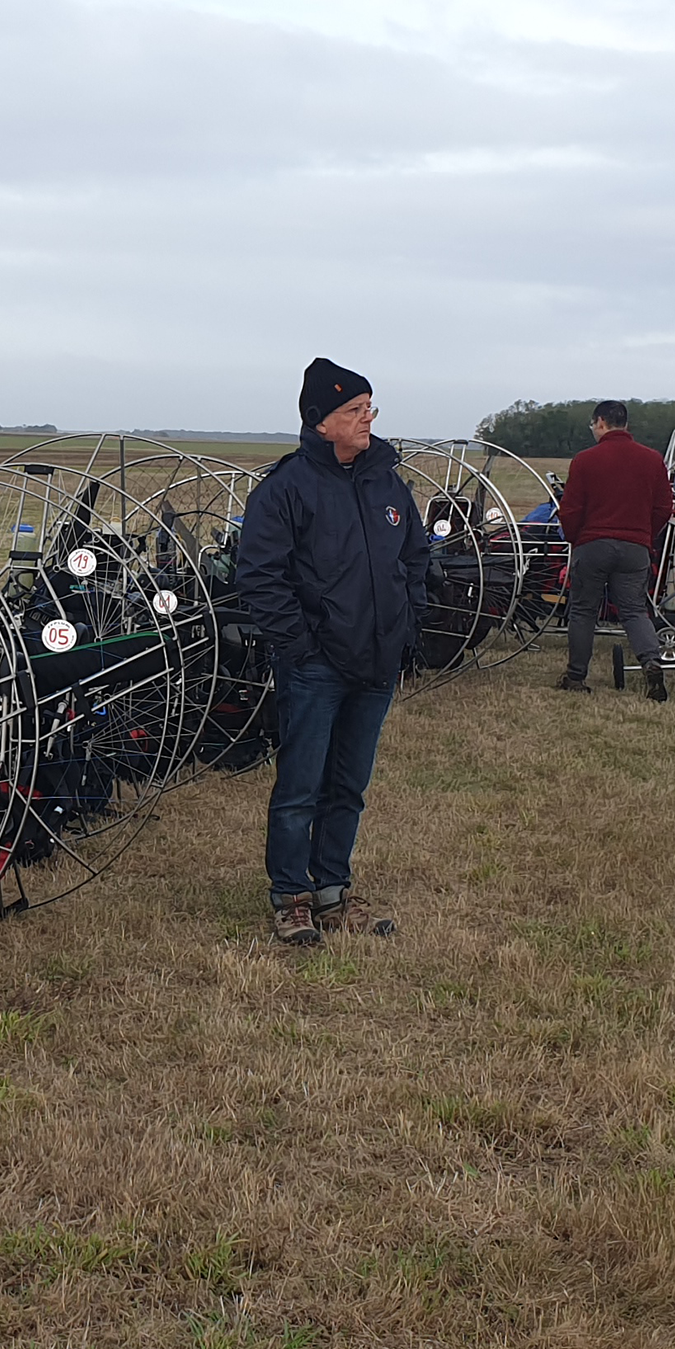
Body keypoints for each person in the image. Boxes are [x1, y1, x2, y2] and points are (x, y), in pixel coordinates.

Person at [235, 357, 429, 946]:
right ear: (321, 421)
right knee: (300, 786)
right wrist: (300, 645)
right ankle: (291, 897)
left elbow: (416, 560)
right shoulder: (285, 490)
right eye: (354, 409)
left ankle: (332, 891)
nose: (367, 417)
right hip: (316, 667)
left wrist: (406, 626)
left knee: (349, 786)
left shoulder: (388, 482)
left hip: (377, 663)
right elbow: (260, 576)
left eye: (370, 406)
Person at [554, 400, 673, 699]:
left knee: (583, 611)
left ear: (601, 422)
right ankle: (651, 662)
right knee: (634, 611)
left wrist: (575, 538)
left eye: (593, 425)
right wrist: (644, 534)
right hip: (635, 547)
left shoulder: (584, 460)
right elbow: (664, 508)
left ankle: (576, 676)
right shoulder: (652, 459)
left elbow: (570, 509)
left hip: (593, 545)